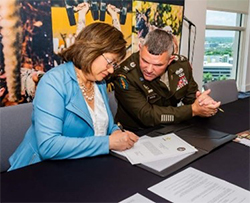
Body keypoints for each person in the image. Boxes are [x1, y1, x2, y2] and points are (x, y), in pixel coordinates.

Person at [8, 23, 138, 171]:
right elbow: (49, 146)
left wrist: (116, 132)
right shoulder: (54, 82)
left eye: (115, 65)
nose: (110, 70)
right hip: (38, 170)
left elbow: (102, 123)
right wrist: (108, 143)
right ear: (91, 50)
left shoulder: (99, 82)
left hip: (81, 166)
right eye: (110, 62)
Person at [112, 28, 221, 131]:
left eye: (158, 65)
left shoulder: (181, 65)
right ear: (140, 49)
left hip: (171, 127)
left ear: (170, 60)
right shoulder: (125, 74)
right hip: (137, 133)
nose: (149, 69)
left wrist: (203, 103)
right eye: (145, 61)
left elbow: (190, 96)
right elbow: (147, 116)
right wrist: (192, 110)